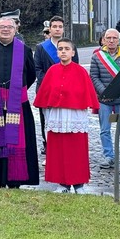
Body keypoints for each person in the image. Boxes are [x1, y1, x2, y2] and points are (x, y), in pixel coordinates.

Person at [0, 17, 39, 188]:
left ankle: (14, 179)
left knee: (15, 141)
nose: (5, 29)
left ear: (15, 30)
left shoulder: (24, 50)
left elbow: (31, 74)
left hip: (17, 102)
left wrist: (14, 90)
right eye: (1, 27)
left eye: (9, 27)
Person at [34, 38, 99, 194]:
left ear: (73, 52)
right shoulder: (52, 71)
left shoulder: (81, 71)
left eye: (66, 49)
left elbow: (87, 93)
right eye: (60, 49)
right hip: (57, 115)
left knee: (77, 150)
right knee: (58, 150)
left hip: (75, 115)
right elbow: (45, 94)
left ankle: (79, 184)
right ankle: (62, 183)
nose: (63, 51)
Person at [34, 16, 79, 160]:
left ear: (63, 29)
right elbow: (38, 69)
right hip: (47, 92)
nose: (57, 29)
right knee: (47, 122)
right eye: (54, 27)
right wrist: (51, 84)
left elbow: (75, 68)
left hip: (66, 92)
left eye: (60, 26)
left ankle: (64, 150)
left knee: (66, 121)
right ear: (50, 29)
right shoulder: (41, 48)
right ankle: (49, 149)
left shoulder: (70, 46)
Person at [90, 28, 120, 171]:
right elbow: (94, 77)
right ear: (103, 40)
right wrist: (105, 92)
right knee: (105, 130)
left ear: (119, 40)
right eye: (108, 38)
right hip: (105, 100)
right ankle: (108, 156)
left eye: (114, 38)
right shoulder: (97, 57)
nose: (111, 40)